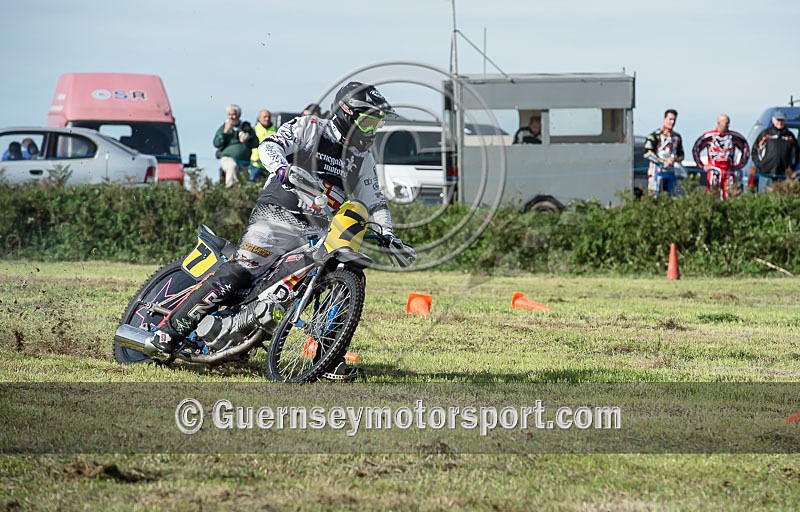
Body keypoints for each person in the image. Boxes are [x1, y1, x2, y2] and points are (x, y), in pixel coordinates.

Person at [152, 81, 414, 381]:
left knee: (340, 278)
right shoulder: (310, 128)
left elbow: (375, 201)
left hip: (316, 232)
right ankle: (167, 332)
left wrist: (389, 235)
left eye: (376, 123)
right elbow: (269, 146)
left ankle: (328, 358)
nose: (372, 130)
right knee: (243, 270)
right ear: (346, 114)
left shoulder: (363, 159)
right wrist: (281, 168)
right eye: (368, 122)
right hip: (276, 215)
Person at [692, 114, 750, 199]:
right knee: (713, 196)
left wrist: (740, 165)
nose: (727, 125)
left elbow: (746, 148)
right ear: (718, 123)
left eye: (728, 123)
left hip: (729, 171)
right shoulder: (709, 136)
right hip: (714, 171)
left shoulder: (734, 136)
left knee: (731, 196)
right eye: (725, 123)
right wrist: (702, 165)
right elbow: (696, 149)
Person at [752, 109, 799, 192]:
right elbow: (755, 151)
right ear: (773, 120)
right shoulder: (765, 134)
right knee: (764, 201)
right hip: (766, 175)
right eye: (778, 120)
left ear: (785, 121)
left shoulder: (790, 136)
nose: (780, 122)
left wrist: (791, 168)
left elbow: (796, 153)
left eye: (782, 120)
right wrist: (760, 165)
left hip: (783, 176)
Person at [213, 104, 258, 188]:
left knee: (244, 181)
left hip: (244, 161)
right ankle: (231, 189)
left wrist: (247, 140)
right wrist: (224, 133)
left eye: (233, 114)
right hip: (227, 158)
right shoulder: (223, 127)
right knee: (232, 166)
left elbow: (256, 143)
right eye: (229, 115)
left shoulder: (246, 127)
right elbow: (216, 143)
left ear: (238, 115)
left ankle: (241, 197)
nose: (231, 117)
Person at [643, 109, 685, 196]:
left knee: (672, 196)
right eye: (670, 119)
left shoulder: (677, 137)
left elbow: (682, 155)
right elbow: (647, 153)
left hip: (671, 172)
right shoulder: (655, 135)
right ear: (664, 119)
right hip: (657, 171)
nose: (672, 122)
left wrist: (675, 158)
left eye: (674, 120)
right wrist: (662, 162)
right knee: (655, 197)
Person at [248, 109, 277, 182]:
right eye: (264, 117)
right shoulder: (254, 130)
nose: (267, 119)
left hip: (271, 166)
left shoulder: (276, 131)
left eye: (269, 117)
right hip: (256, 165)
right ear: (259, 118)